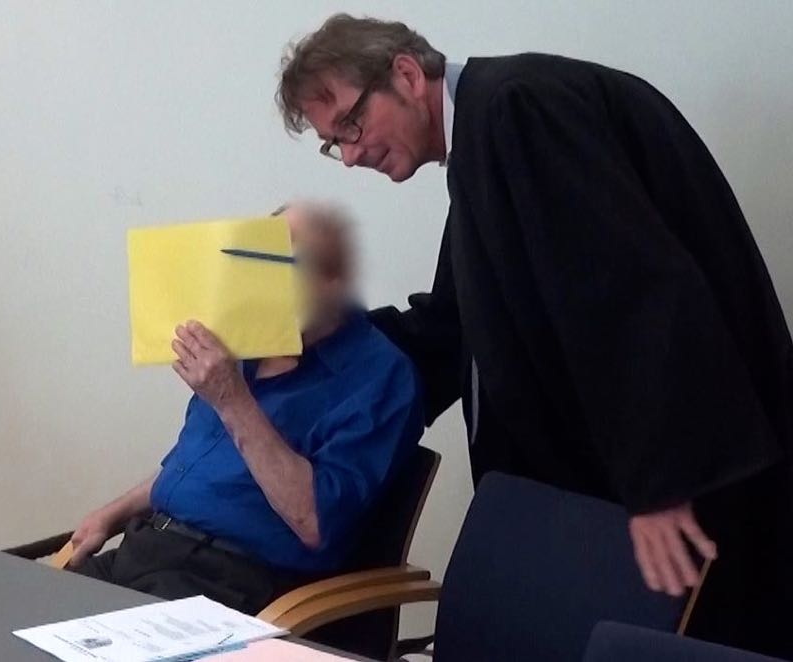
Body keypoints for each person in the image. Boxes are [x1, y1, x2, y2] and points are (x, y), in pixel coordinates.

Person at [275, 14, 793, 655]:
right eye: (335, 144)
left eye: (350, 125)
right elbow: (450, 325)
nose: (351, 156)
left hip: (686, 477)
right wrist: (317, 344)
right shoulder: (487, 134)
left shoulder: (521, 109)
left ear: (406, 75)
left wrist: (659, 484)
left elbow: (633, 290)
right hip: (619, 484)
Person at [67, 203, 424, 615]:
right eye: (260, 261)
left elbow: (315, 523)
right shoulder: (242, 344)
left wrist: (232, 399)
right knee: (18, 618)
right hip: (143, 549)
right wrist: (112, 513)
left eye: (287, 263)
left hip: (227, 581)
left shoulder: (379, 378)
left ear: (333, 280)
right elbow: (193, 467)